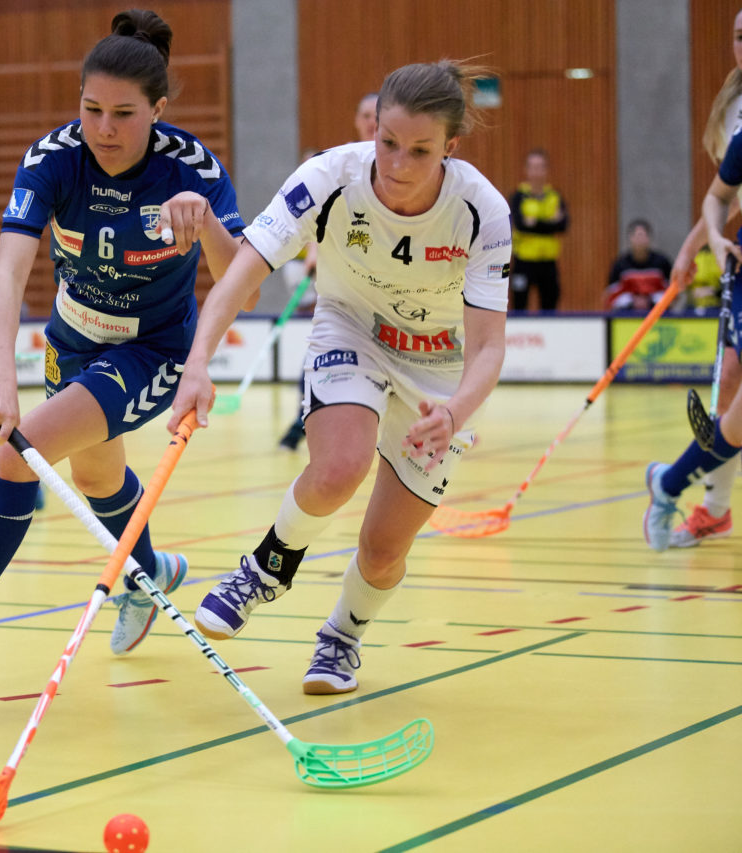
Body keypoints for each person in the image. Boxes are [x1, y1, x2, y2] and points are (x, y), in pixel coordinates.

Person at [0, 9, 245, 676]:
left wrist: (209, 233)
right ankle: (149, 574)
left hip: (153, 348)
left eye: (124, 114)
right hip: (71, 338)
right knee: (95, 475)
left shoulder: (191, 167)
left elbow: (243, 288)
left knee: (17, 458)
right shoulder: (53, 160)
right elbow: (5, 276)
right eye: (92, 110)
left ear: (159, 110)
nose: (105, 129)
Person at [170, 59, 511, 695]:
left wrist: (457, 411)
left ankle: (341, 637)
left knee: (384, 549)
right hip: (351, 330)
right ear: (372, 126)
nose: (399, 165)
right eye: (387, 142)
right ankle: (266, 568)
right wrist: (197, 365)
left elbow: (490, 346)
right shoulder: (328, 177)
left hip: (440, 369)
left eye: (420, 151)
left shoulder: (481, 210)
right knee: (338, 467)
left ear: (451, 148)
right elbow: (241, 274)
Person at [644, 49, 742, 552]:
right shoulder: (736, 111)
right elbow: (724, 195)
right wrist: (694, 247)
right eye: (739, 35)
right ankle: (710, 506)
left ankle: (673, 481)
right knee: (730, 386)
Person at [279, 93, 379, 450]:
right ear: (356, 119)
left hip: (386, 289)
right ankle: (301, 424)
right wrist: (313, 250)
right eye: (366, 114)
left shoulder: (396, 170)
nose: (372, 121)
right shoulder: (345, 163)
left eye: (377, 115)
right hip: (343, 289)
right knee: (318, 361)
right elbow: (321, 218)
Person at [508, 149, 568, 311]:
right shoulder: (519, 196)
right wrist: (549, 222)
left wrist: (534, 223)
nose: (536, 172)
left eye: (540, 167)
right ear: (526, 170)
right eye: (532, 167)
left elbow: (563, 226)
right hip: (523, 261)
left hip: (548, 263)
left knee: (550, 306)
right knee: (519, 306)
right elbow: (520, 225)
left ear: (546, 170)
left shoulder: (554, 196)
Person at [605, 219, 674, 313]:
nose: (640, 240)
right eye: (637, 236)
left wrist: (649, 299)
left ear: (649, 238)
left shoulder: (662, 262)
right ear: (630, 238)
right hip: (626, 315)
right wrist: (633, 300)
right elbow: (611, 294)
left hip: (657, 314)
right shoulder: (620, 264)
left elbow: (672, 292)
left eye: (643, 235)